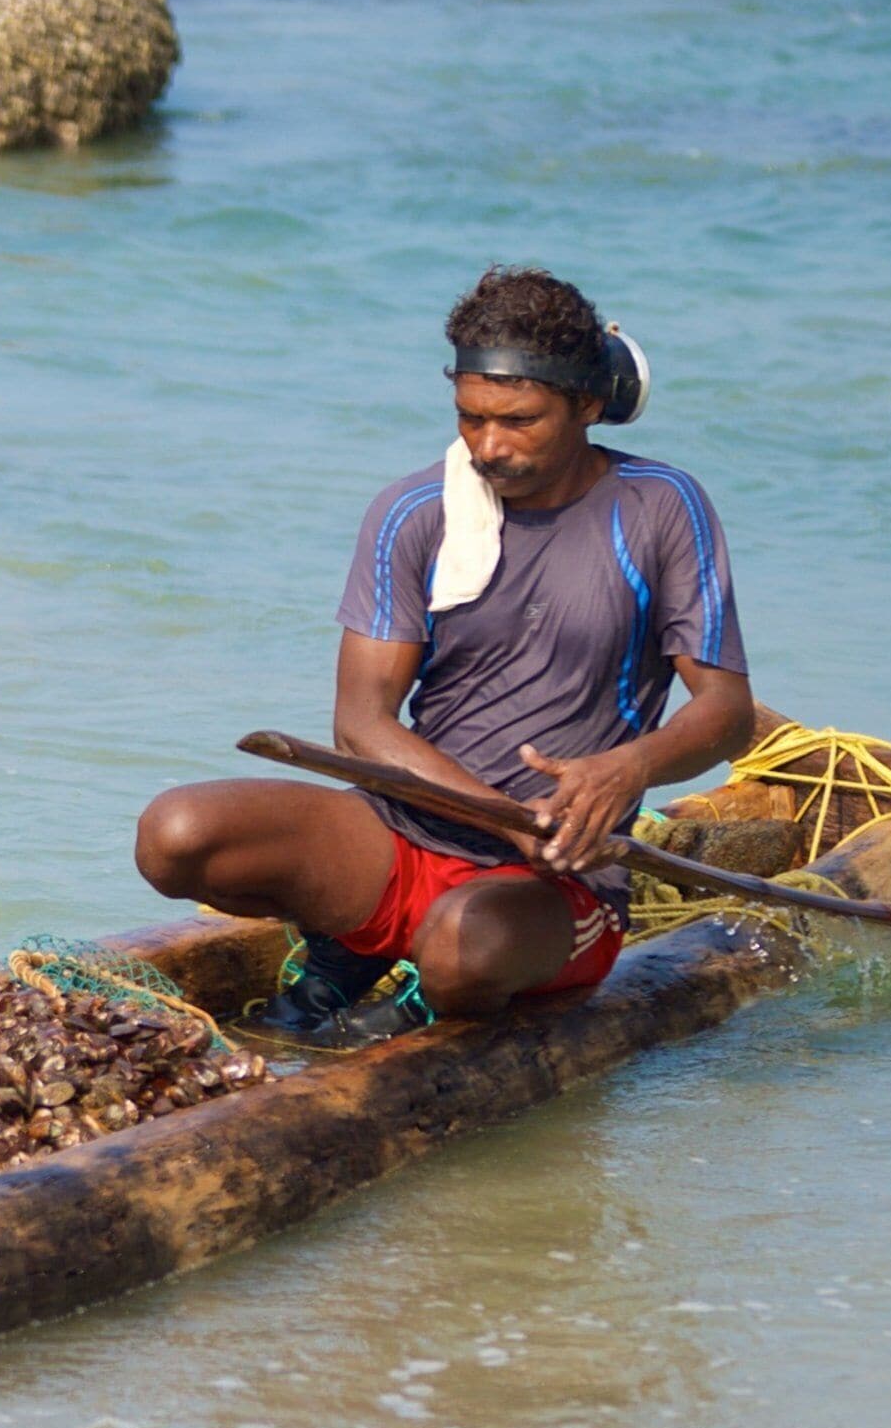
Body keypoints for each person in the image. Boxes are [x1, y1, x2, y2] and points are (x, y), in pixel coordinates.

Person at [134, 266, 755, 1046]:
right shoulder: (414, 512)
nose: (488, 447)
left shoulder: (662, 508)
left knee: (462, 945)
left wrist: (625, 769)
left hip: (553, 877)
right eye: (470, 418)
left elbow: (726, 714)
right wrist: (500, 815)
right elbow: (361, 724)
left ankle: (421, 988)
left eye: (519, 420)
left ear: (588, 406)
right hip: (403, 835)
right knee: (174, 833)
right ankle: (351, 945)